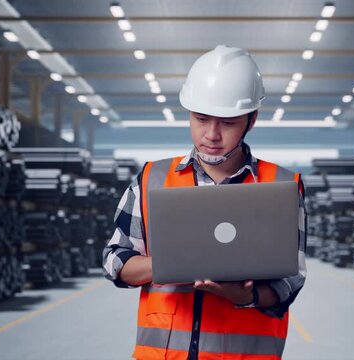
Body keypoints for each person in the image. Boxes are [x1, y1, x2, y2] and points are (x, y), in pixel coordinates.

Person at [103, 45, 307, 360]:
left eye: (227, 122)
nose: (211, 134)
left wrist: (246, 296)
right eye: (200, 119)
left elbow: (291, 280)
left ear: (251, 120)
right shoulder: (152, 178)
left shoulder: (281, 185)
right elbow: (116, 260)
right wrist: (169, 266)